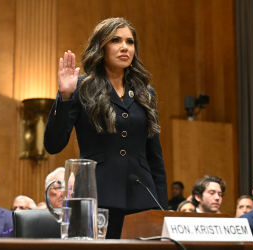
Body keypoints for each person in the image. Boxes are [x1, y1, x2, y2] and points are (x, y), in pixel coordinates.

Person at [44, 17, 168, 239]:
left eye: (130, 42)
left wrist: (163, 208)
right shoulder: (81, 87)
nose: (125, 47)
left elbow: (154, 156)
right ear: (101, 47)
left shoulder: (144, 93)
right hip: (95, 198)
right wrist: (64, 97)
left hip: (142, 198)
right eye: (116, 40)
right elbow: (53, 145)